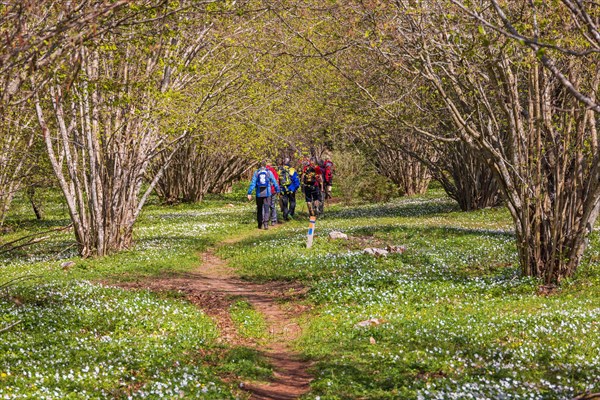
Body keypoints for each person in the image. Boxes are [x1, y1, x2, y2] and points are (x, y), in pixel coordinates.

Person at [247, 161, 280, 229]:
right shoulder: (269, 172)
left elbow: (253, 183)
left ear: (259, 166)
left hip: (258, 194)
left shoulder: (256, 172)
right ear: (265, 165)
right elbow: (274, 181)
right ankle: (266, 224)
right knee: (266, 208)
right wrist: (277, 190)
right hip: (267, 193)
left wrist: (249, 193)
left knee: (259, 209)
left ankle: (259, 224)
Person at [265, 160, 280, 225]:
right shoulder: (273, 170)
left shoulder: (261, 170)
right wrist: (277, 190)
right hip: (272, 190)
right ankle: (273, 220)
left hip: (264, 191)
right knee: (272, 205)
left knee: (265, 205)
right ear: (270, 163)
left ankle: (265, 220)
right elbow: (276, 180)